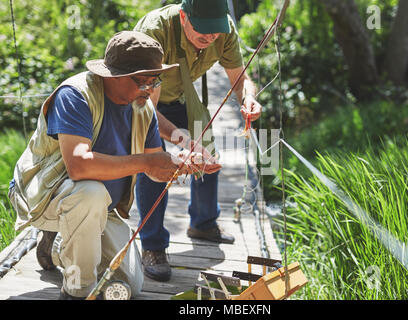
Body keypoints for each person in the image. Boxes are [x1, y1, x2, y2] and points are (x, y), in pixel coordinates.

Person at [7, 31, 221, 299]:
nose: (150, 89)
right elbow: (79, 167)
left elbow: (153, 168)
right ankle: (76, 291)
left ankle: (55, 246)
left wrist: (179, 164)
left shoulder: (144, 109)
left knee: (128, 284)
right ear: (113, 75)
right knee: (89, 194)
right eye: (142, 81)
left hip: (100, 207)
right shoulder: (75, 95)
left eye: (155, 80)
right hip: (43, 195)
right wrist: (148, 161)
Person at [133, 0, 263, 282]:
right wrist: (180, 140)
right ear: (183, 16)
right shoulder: (154, 31)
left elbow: (240, 79)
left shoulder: (224, 31)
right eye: (202, 31)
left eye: (214, 32)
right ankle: (153, 246)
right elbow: (146, 106)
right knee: (154, 162)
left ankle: (203, 223)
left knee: (208, 153)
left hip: (181, 96)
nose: (210, 38)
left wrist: (248, 97)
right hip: (142, 100)